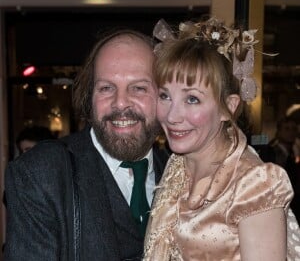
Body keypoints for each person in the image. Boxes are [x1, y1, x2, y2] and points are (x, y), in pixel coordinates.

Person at [4, 29, 169, 260]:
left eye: (139, 88)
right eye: (106, 88)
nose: (120, 103)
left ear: (165, 97)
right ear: (89, 97)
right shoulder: (41, 174)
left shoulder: (184, 173)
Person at [143, 17, 300, 260]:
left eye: (192, 99)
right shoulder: (177, 165)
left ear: (228, 107)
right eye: (165, 96)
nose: (172, 116)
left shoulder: (254, 182)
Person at [269, 116, 300, 222]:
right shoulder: (272, 152)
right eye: (287, 129)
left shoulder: (293, 152)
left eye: (294, 129)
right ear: (279, 131)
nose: (291, 132)